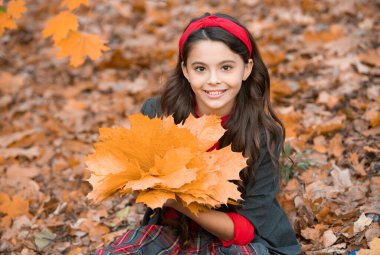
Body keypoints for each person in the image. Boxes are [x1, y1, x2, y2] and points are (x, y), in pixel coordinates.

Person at [94, 13, 301, 255]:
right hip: (173, 231)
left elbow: (245, 230)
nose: (214, 80)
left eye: (226, 67)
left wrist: (177, 201)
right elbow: (138, 181)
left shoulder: (262, 134)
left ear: (246, 69)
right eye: (200, 68)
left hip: (236, 242)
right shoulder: (158, 114)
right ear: (185, 70)